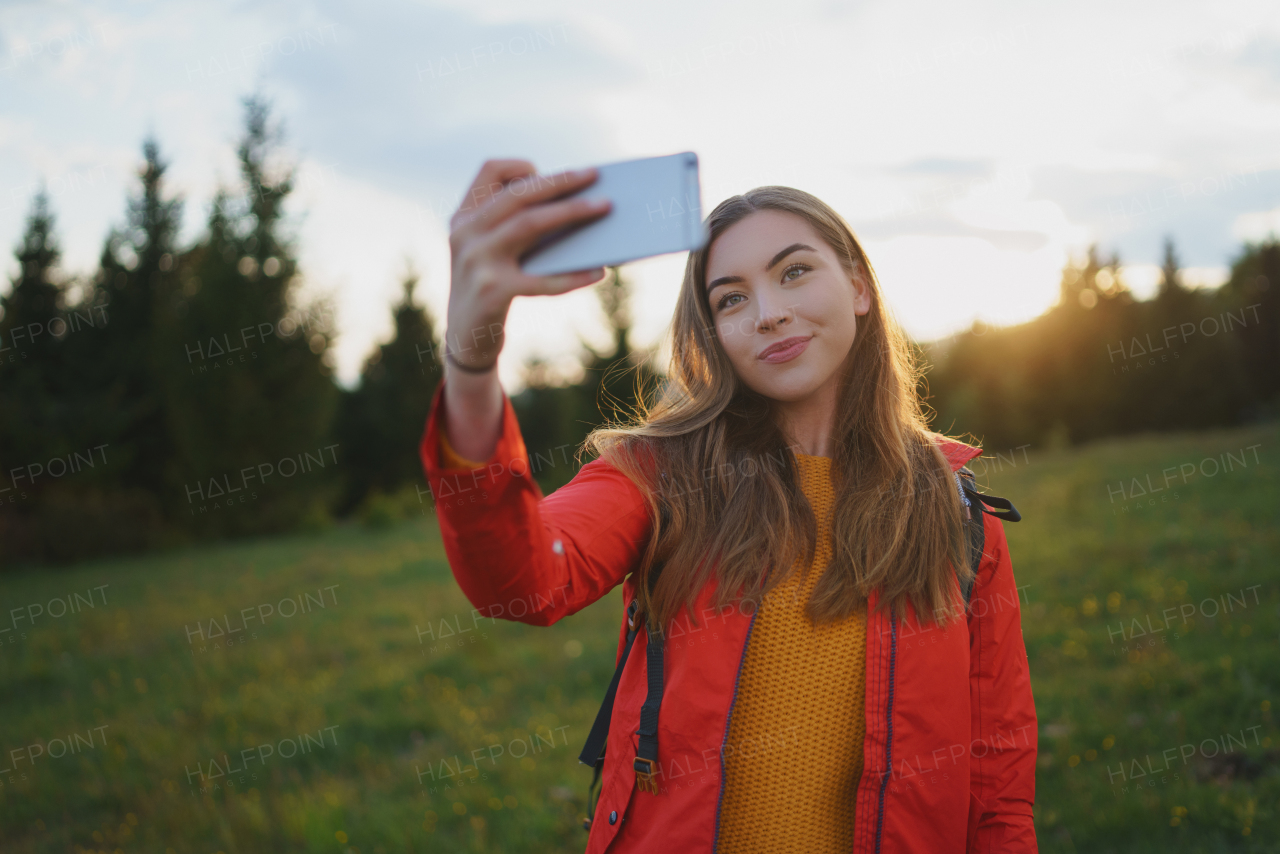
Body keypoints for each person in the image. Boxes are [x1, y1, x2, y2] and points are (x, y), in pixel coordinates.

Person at [419, 160, 1038, 853]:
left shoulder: (957, 513)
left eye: (794, 271)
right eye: (731, 299)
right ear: (712, 333)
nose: (769, 311)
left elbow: (999, 788)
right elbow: (522, 584)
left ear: (859, 286)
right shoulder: (658, 478)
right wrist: (471, 358)